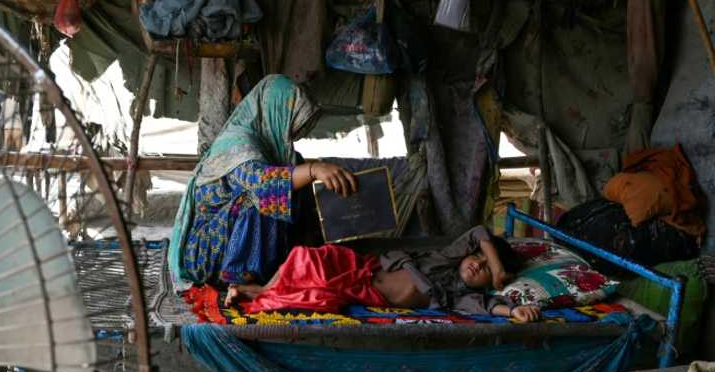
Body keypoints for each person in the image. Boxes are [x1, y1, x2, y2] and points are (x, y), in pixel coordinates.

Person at [168, 74, 357, 290]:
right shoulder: (237, 144)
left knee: (295, 182)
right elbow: (263, 185)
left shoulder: (279, 153)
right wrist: (314, 169)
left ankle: (282, 271)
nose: (292, 136)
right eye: (290, 123)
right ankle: (241, 279)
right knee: (264, 196)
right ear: (274, 111)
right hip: (206, 254)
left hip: (236, 243)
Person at [228, 225, 543, 321]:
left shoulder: (460, 295)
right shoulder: (447, 257)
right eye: (479, 258)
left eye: (485, 271)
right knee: (308, 257)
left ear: (489, 284)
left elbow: (488, 307)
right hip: (362, 267)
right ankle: (259, 287)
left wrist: (514, 310)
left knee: (315, 293)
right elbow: (479, 232)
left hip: (365, 292)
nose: (478, 265)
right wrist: (498, 268)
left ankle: (253, 292)